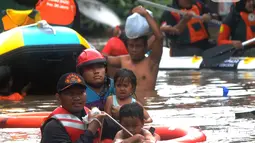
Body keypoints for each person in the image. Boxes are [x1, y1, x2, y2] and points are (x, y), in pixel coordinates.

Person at [106, 6, 163, 101]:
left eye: (138, 46)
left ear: (145, 47)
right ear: (127, 46)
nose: (134, 49)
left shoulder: (152, 62)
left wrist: (146, 14)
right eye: (131, 46)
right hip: (128, 108)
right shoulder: (122, 60)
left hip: (148, 106)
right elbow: (102, 58)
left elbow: (159, 37)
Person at [40, 72, 106, 143]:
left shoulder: (96, 116)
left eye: (80, 93)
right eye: (70, 93)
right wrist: (91, 131)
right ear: (58, 97)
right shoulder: (53, 127)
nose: (77, 98)